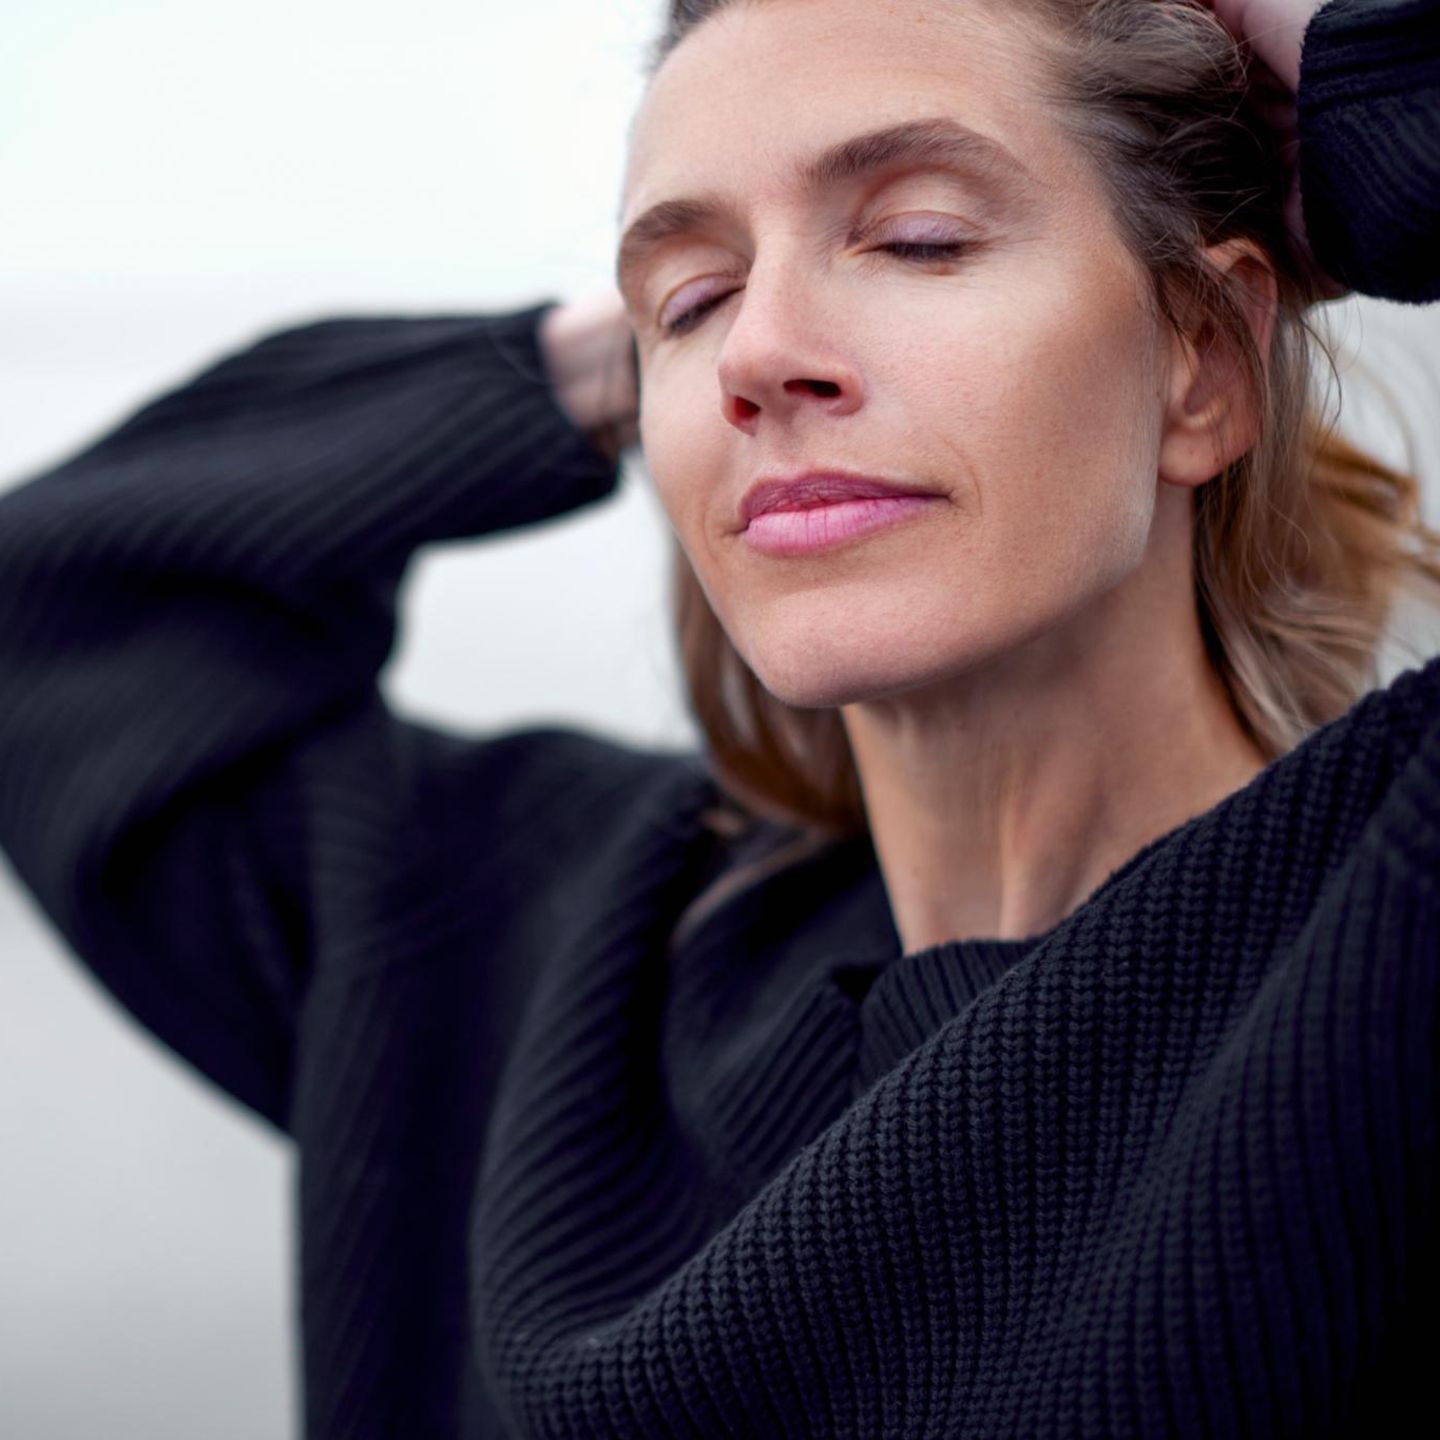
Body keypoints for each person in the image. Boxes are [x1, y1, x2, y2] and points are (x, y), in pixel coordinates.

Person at [0, 0, 1436, 1434]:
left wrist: (1367, 85)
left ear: (1202, 364)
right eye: (690, 303)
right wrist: (594, 360)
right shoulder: (517, 941)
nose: (758, 356)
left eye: (921, 237)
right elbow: (53, 617)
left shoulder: (1383, 935)